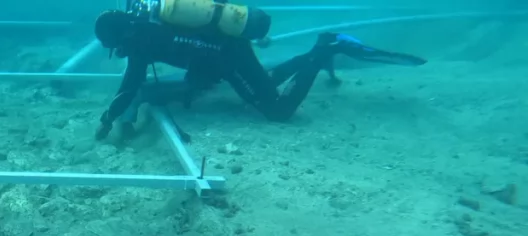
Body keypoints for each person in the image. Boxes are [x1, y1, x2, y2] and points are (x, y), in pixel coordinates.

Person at [92, 8, 425, 141]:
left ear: (122, 37)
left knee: (277, 110)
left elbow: (130, 85)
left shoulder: (143, 40)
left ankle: (327, 47)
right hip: (227, 51)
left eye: (115, 47)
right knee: (262, 83)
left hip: (230, 56)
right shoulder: (146, 24)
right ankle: (318, 52)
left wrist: (109, 118)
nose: (119, 52)